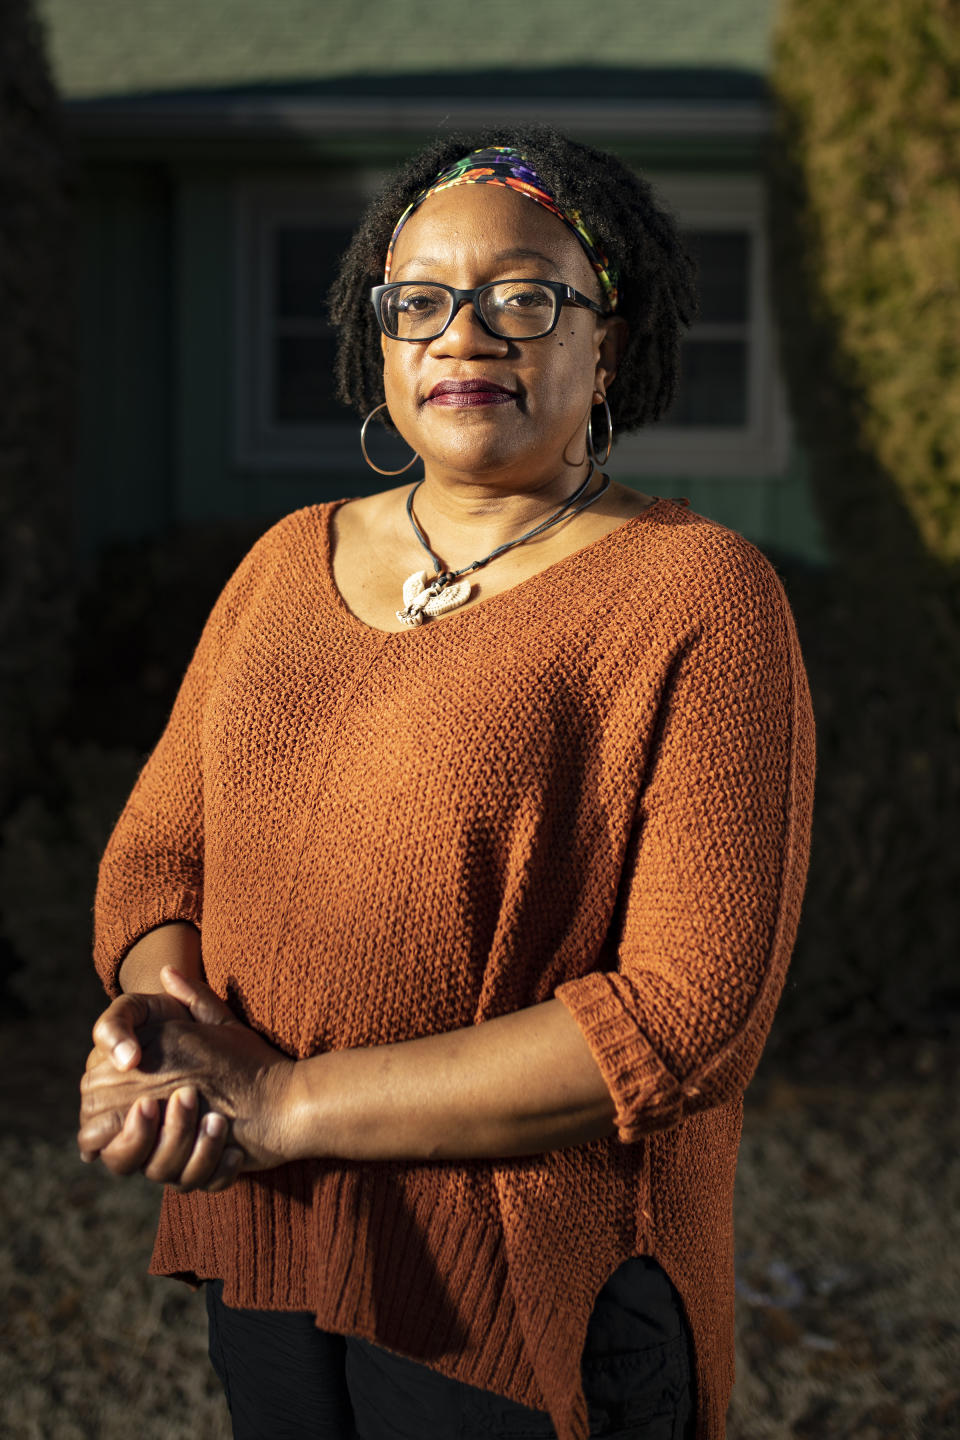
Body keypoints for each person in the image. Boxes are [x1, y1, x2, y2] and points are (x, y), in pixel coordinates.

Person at [77, 127, 816, 1440]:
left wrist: (284, 1102)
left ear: (608, 342)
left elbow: (685, 1015)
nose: (463, 336)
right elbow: (155, 860)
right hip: (270, 1234)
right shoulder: (283, 563)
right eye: (419, 301)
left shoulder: (697, 596)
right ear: (380, 342)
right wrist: (161, 1038)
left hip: (522, 1275)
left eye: (523, 298)